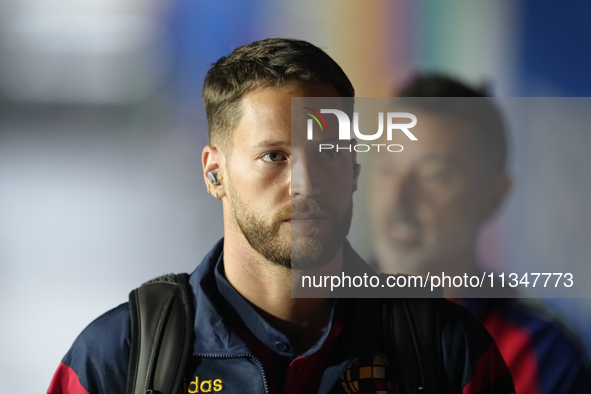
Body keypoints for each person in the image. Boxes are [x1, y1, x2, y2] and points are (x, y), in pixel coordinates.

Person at [47, 39, 515, 394]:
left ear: (353, 167)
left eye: (327, 154)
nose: (306, 183)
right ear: (215, 174)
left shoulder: (448, 353)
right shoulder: (119, 358)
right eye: (274, 156)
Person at [368, 74, 591, 394]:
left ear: (493, 197)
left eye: (433, 176)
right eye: (386, 168)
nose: (397, 198)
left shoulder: (541, 356)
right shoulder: (305, 317)